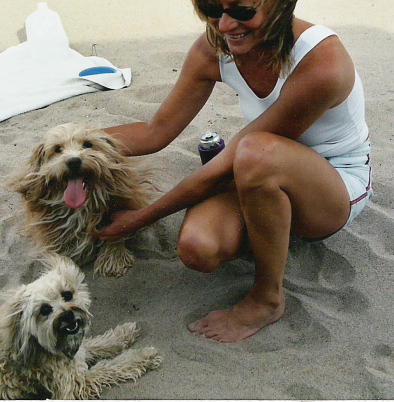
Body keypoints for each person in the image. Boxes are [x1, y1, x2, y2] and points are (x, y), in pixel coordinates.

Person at [94, 0, 373, 343]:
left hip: (333, 184)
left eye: (242, 12)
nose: (225, 25)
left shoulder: (322, 62)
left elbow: (238, 157)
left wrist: (139, 218)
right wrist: (74, 145)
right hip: (259, 164)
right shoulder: (214, 47)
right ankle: (262, 211)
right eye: (213, 7)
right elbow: (155, 131)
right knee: (198, 249)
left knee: (253, 154)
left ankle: (267, 300)